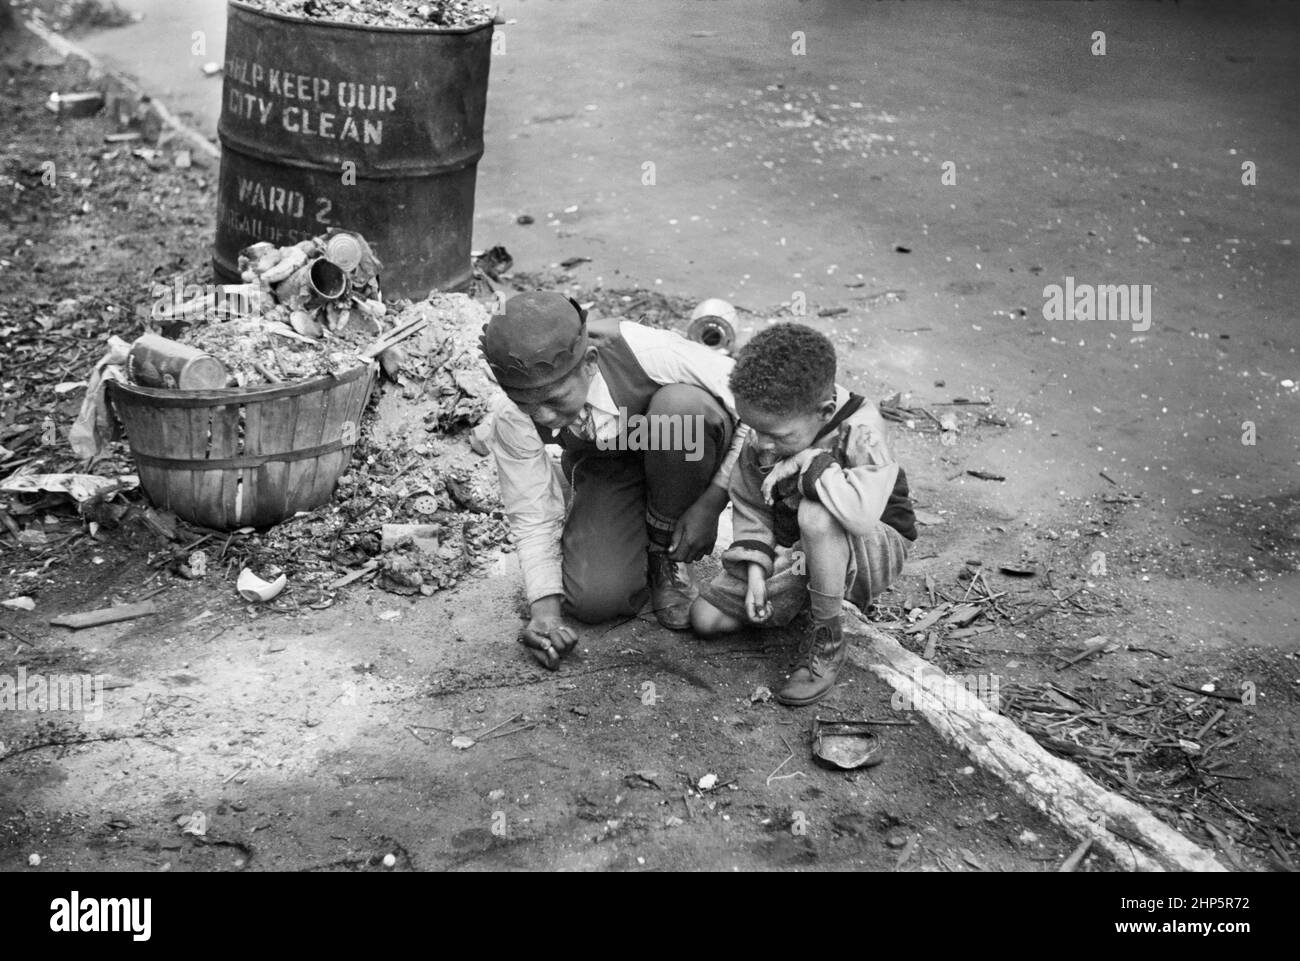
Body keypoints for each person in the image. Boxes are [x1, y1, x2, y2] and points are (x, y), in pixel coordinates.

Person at [480, 291, 749, 669]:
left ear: (589, 363)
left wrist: (714, 499)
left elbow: (754, 404)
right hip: (610, 468)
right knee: (595, 600)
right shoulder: (513, 415)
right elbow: (531, 514)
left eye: (555, 400)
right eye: (528, 405)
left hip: (682, 450)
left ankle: (662, 551)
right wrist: (544, 611)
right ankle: (612, 513)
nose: (543, 416)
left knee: (680, 412)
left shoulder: (646, 350)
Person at [690, 323, 917, 706]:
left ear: (824, 411)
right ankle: (813, 592)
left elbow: (860, 515)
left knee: (818, 513)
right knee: (706, 620)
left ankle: (827, 638)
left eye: (777, 436)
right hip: (797, 551)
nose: (761, 443)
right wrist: (757, 572)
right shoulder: (769, 427)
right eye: (754, 428)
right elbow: (751, 504)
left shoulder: (861, 431)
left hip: (871, 547)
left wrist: (811, 460)